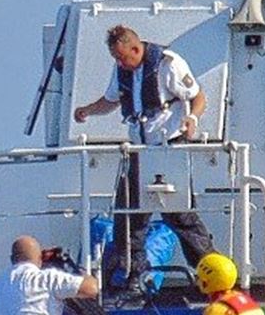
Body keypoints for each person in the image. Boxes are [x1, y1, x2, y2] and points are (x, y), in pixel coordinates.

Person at [73, 24, 213, 294]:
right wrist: (87, 110)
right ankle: (133, 273)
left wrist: (192, 119)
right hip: (139, 149)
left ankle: (209, 268)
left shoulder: (168, 64)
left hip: (168, 146)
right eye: (116, 58)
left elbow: (198, 96)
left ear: (136, 49)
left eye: (122, 57)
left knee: (180, 214)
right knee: (128, 214)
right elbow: (111, 100)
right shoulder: (122, 70)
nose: (119, 63)